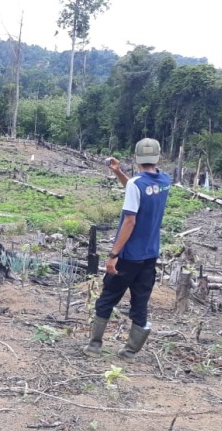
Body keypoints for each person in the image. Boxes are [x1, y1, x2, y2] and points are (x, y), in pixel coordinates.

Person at [83, 138, 170, 362]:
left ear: (136, 157)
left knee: (107, 299)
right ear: (157, 157)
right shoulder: (165, 181)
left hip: (129, 256)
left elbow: (129, 221)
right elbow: (139, 190)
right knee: (140, 304)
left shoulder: (136, 184)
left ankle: (94, 346)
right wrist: (119, 172)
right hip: (150, 255)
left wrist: (113, 255)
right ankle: (130, 352)